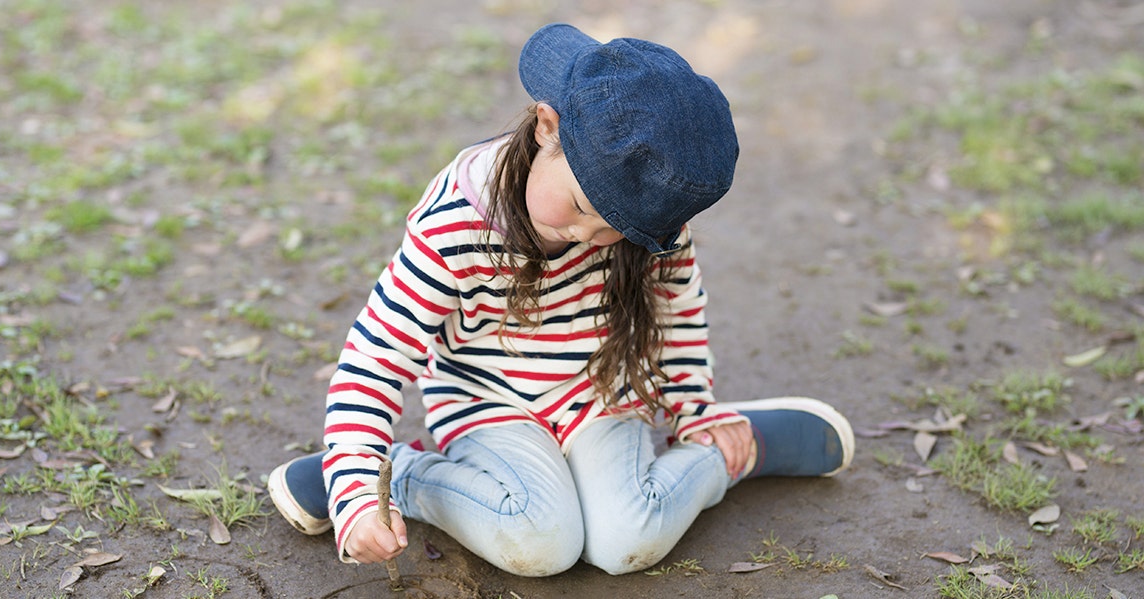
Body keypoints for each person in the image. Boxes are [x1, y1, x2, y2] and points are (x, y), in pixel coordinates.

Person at [266, 22, 854, 577]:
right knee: (541, 542)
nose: (589, 238)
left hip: (601, 389)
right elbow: (375, 359)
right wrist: (357, 487)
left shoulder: (652, 215)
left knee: (626, 544)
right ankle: (395, 477)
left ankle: (741, 448)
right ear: (547, 126)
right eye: (579, 208)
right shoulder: (454, 226)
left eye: (612, 228)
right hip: (488, 402)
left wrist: (693, 412)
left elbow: (676, 310)